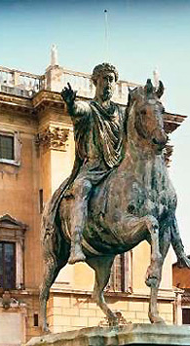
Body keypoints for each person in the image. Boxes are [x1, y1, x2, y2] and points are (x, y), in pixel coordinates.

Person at [58, 63, 125, 264]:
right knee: (82, 187)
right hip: (93, 168)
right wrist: (70, 104)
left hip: (115, 169)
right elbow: (78, 110)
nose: (108, 84)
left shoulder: (121, 114)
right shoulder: (90, 108)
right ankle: (76, 245)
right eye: (104, 79)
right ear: (95, 82)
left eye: (111, 79)